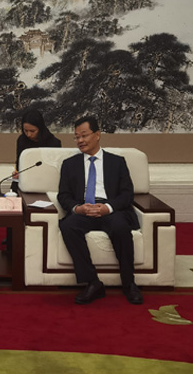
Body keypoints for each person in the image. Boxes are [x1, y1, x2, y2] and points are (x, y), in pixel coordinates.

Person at [57, 115, 142, 305]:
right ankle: (93, 283)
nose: (80, 140)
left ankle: (129, 283)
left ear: (97, 135)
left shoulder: (117, 162)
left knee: (121, 228)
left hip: (110, 209)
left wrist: (108, 208)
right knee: (68, 226)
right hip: (84, 210)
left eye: (84, 135)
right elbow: (63, 195)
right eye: (77, 137)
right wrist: (77, 208)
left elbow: (127, 194)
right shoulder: (69, 164)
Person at [12, 109, 62, 192]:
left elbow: (54, 169)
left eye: (32, 131)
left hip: (45, 183)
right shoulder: (22, 140)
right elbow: (19, 162)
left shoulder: (53, 143)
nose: (29, 134)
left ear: (40, 128)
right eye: (25, 131)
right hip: (24, 181)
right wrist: (17, 172)